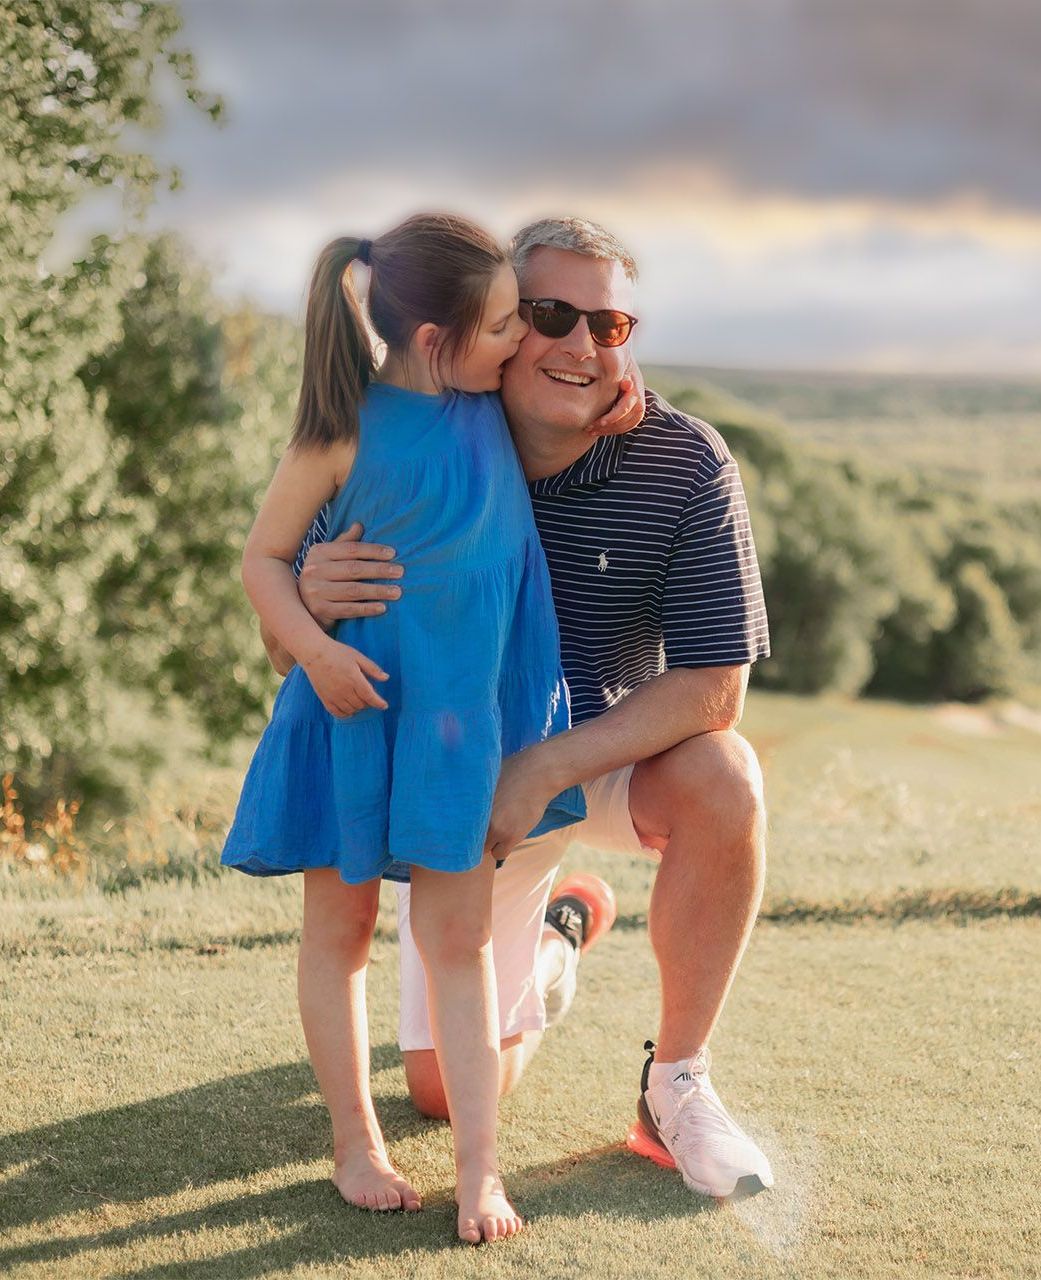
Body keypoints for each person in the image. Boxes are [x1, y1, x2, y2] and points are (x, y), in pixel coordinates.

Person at [277, 217, 775, 1201]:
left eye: (609, 322)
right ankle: (559, 937)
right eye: (546, 315)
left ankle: (675, 1085)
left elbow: (717, 684)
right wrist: (316, 598)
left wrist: (545, 767)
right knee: (440, 1095)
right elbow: (282, 634)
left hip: (593, 758)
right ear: (488, 329)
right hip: (452, 777)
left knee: (726, 771)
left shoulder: (684, 460)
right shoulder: (410, 431)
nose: (581, 345)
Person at [221, 213, 639, 1243]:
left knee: (456, 940)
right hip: (352, 712)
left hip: (464, 734)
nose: (520, 343)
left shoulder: (491, 401)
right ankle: (355, 1141)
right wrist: (313, 646)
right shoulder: (341, 426)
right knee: (343, 931)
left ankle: (478, 1172)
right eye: (504, 324)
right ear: (436, 340)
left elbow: (569, 390)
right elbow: (263, 560)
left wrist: (616, 397)